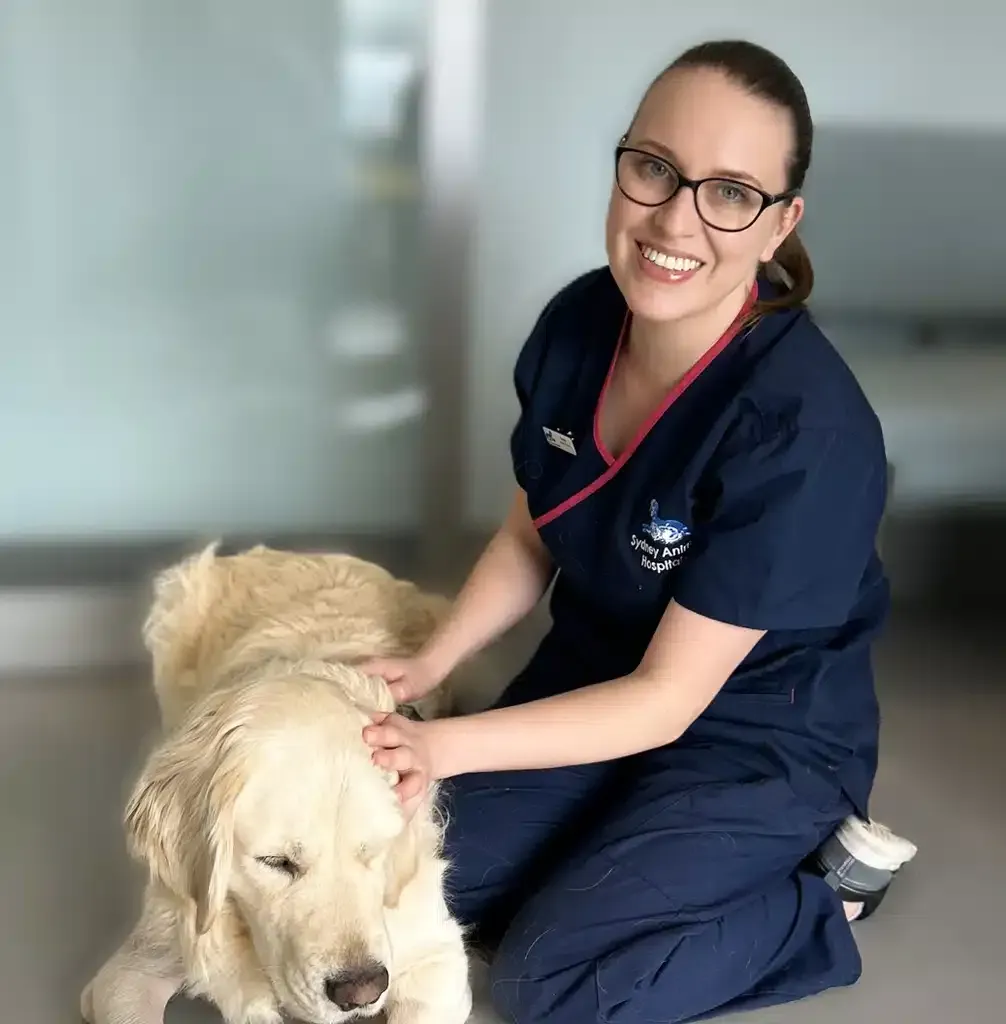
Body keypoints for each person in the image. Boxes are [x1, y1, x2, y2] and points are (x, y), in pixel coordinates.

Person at [362, 38, 918, 1024]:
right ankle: (618, 862)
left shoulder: (804, 430)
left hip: (753, 731)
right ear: (622, 166)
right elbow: (536, 529)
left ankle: (820, 902)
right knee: (404, 890)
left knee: (553, 982)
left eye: (731, 192)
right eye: (655, 168)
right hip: (596, 678)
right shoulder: (580, 322)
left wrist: (440, 746)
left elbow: (666, 702)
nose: (673, 220)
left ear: (779, 222)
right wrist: (430, 658)